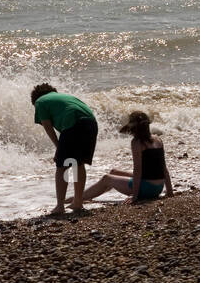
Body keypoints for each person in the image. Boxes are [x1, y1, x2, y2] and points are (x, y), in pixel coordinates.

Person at [31, 83, 98, 215]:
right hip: (91, 123)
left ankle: (60, 206)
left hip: (74, 124)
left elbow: (48, 127)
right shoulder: (63, 97)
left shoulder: (40, 102)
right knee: (78, 163)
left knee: (62, 166)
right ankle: (78, 202)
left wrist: (58, 147)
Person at [82, 112, 173, 204]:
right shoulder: (158, 140)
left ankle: (76, 199)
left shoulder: (137, 142)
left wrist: (135, 196)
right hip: (158, 187)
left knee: (107, 178)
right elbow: (164, 168)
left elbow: (137, 170)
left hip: (147, 189)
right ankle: (90, 196)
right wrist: (170, 192)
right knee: (114, 172)